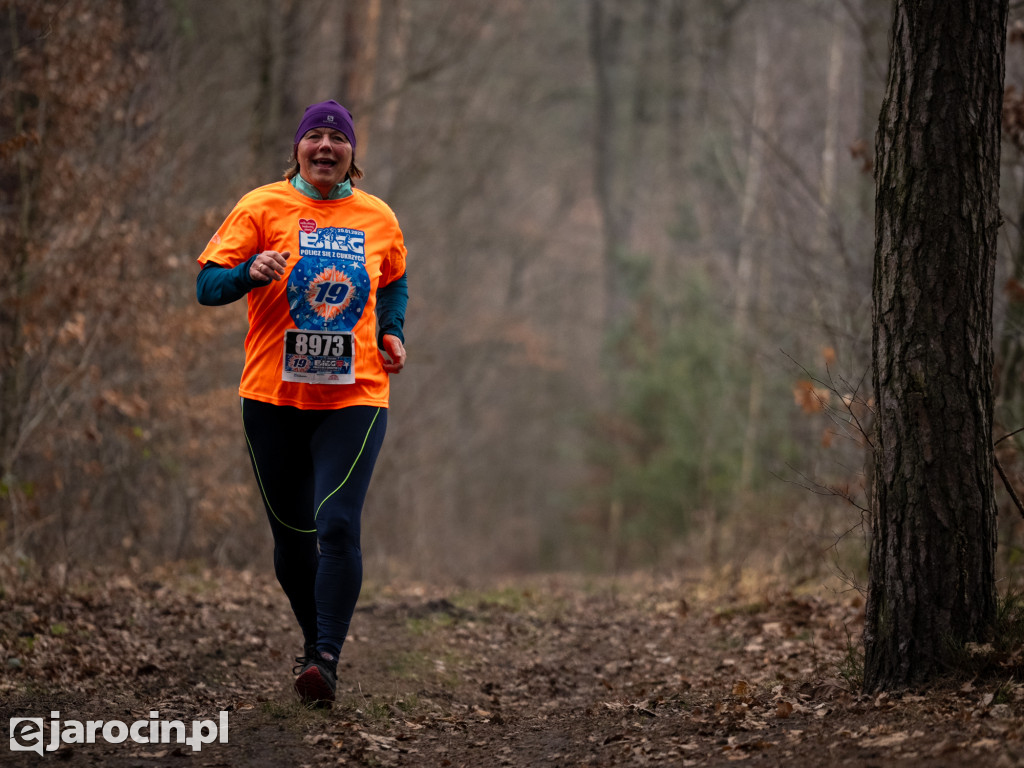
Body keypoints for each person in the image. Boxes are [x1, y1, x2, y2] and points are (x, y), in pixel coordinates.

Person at [195, 100, 408, 706]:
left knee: (337, 525)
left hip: (357, 397)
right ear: (297, 148)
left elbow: (394, 281)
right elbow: (208, 284)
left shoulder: (378, 217)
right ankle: (315, 642)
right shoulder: (261, 207)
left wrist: (392, 329)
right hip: (271, 398)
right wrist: (247, 273)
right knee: (292, 539)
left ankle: (326, 660)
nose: (324, 147)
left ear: (351, 153)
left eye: (336, 139)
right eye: (313, 136)